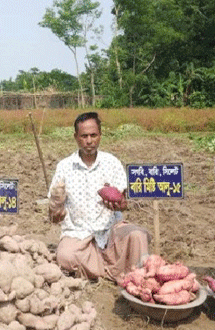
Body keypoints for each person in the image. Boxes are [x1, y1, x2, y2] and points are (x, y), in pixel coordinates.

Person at [48, 112, 151, 281]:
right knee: (65, 256)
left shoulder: (112, 163)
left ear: (100, 135)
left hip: (111, 229)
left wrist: (119, 205)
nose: (89, 141)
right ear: (76, 137)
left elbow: (123, 203)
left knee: (138, 236)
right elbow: (54, 211)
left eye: (93, 135)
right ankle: (117, 271)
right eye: (84, 136)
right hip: (78, 232)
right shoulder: (64, 167)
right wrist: (56, 211)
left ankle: (99, 269)